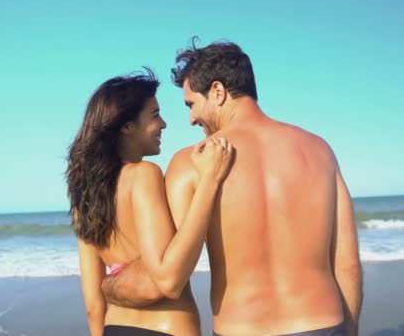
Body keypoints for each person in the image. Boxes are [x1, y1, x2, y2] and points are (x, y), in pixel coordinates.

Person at [101, 39, 363, 336]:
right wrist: (350, 328)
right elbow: (348, 262)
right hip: (324, 325)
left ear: (217, 92)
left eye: (191, 104)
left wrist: (109, 284)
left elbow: (164, 275)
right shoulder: (320, 151)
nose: (191, 119)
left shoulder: (191, 163)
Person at [66, 69, 234, 336]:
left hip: (115, 327)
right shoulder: (144, 175)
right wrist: (210, 181)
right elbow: (170, 278)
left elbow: (93, 304)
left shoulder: (83, 199)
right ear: (127, 126)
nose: (164, 124)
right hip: (166, 328)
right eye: (155, 116)